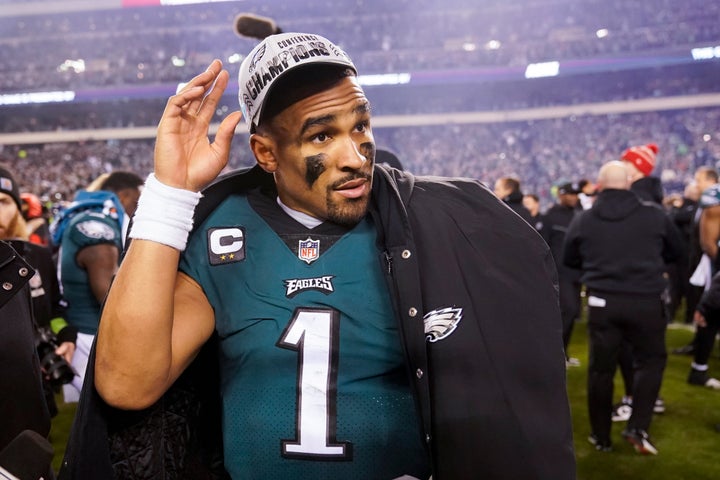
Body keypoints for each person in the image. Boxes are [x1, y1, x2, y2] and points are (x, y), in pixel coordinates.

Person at [61, 33, 575, 479]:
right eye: (322, 135)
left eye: (361, 126)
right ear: (265, 153)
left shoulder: (426, 225)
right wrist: (171, 191)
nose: (354, 157)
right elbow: (127, 384)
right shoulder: (223, 231)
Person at [563, 160, 682, 455]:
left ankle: (600, 436)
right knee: (651, 362)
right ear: (629, 181)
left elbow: (570, 258)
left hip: (603, 301)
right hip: (646, 301)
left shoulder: (584, 219)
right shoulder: (655, 215)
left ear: (600, 184)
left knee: (600, 371)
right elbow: (677, 252)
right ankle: (638, 426)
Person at [50, 170, 143, 403]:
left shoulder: (86, 215)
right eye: (136, 201)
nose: (138, 208)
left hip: (83, 330)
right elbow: (109, 296)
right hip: (92, 338)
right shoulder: (97, 227)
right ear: (122, 197)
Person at [0, 167, 76, 418]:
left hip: (34, 387)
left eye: (3, 201)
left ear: (18, 208)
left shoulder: (39, 256)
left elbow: (53, 308)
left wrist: (65, 336)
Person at [540, 181, 582, 366]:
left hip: (577, 272)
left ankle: (562, 354)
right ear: (561, 195)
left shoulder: (579, 215)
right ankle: (555, 354)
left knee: (571, 314)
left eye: (576, 194)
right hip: (559, 273)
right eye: (570, 194)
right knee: (568, 311)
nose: (574, 197)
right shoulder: (551, 216)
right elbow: (542, 244)